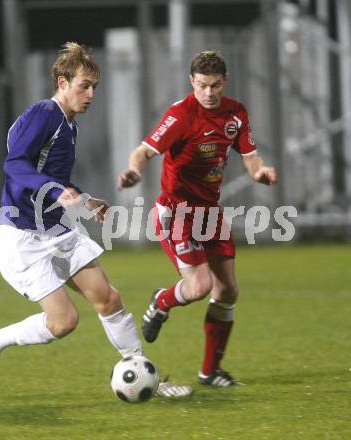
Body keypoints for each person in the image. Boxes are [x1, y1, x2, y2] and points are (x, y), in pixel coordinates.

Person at [0, 42, 191, 399]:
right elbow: (14, 164)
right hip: (23, 236)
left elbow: (55, 177)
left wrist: (85, 200)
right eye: (83, 86)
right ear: (62, 81)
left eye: (94, 87)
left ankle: (143, 373)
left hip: (57, 229)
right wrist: (57, 192)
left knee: (108, 298)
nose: (90, 94)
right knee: (64, 322)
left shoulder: (68, 125)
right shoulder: (46, 113)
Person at [118, 50, 277, 387]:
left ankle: (209, 372)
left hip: (210, 212)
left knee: (228, 290)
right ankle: (162, 301)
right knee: (199, 287)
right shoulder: (180, 115)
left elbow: (249, 156)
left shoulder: (235, 113)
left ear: (225, 82)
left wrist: (259, 171)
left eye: (215, 85)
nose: (209, 93)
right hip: (176, 212)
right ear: (192, 81)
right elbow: (144, 150)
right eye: (202, 85)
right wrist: (133, 170)